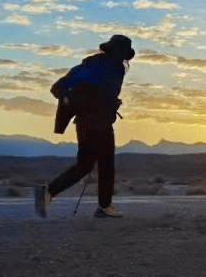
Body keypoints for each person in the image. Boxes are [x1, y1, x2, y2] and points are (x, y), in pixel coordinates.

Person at [35, 34, 135, 219]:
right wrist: (93, 102)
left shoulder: (95, 65)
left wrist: (106, 102)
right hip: (97, 124)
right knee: (106, 165)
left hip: (86, 123)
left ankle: (49, 192)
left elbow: (95, 92)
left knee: (85, 166)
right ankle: (104, 207)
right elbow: (61, 88)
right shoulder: (107, 66)